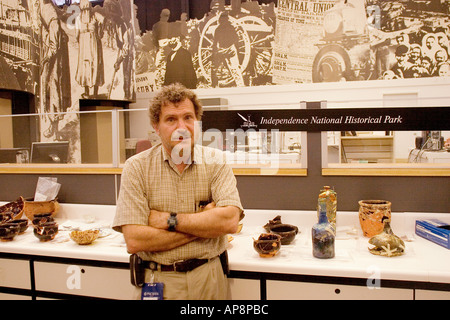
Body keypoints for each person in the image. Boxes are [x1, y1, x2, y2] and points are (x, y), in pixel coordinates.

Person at [112, 83, 243, 300]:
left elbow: (229, 222)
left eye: (188, 117)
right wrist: (204, 222)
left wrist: (167, 220)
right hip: (158, 281)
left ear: (197, 122)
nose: (181, 127)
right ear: (156, 126)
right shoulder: (137, 167)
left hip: (209, 278)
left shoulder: (216, 162)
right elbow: (135, 241)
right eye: (171, 119)